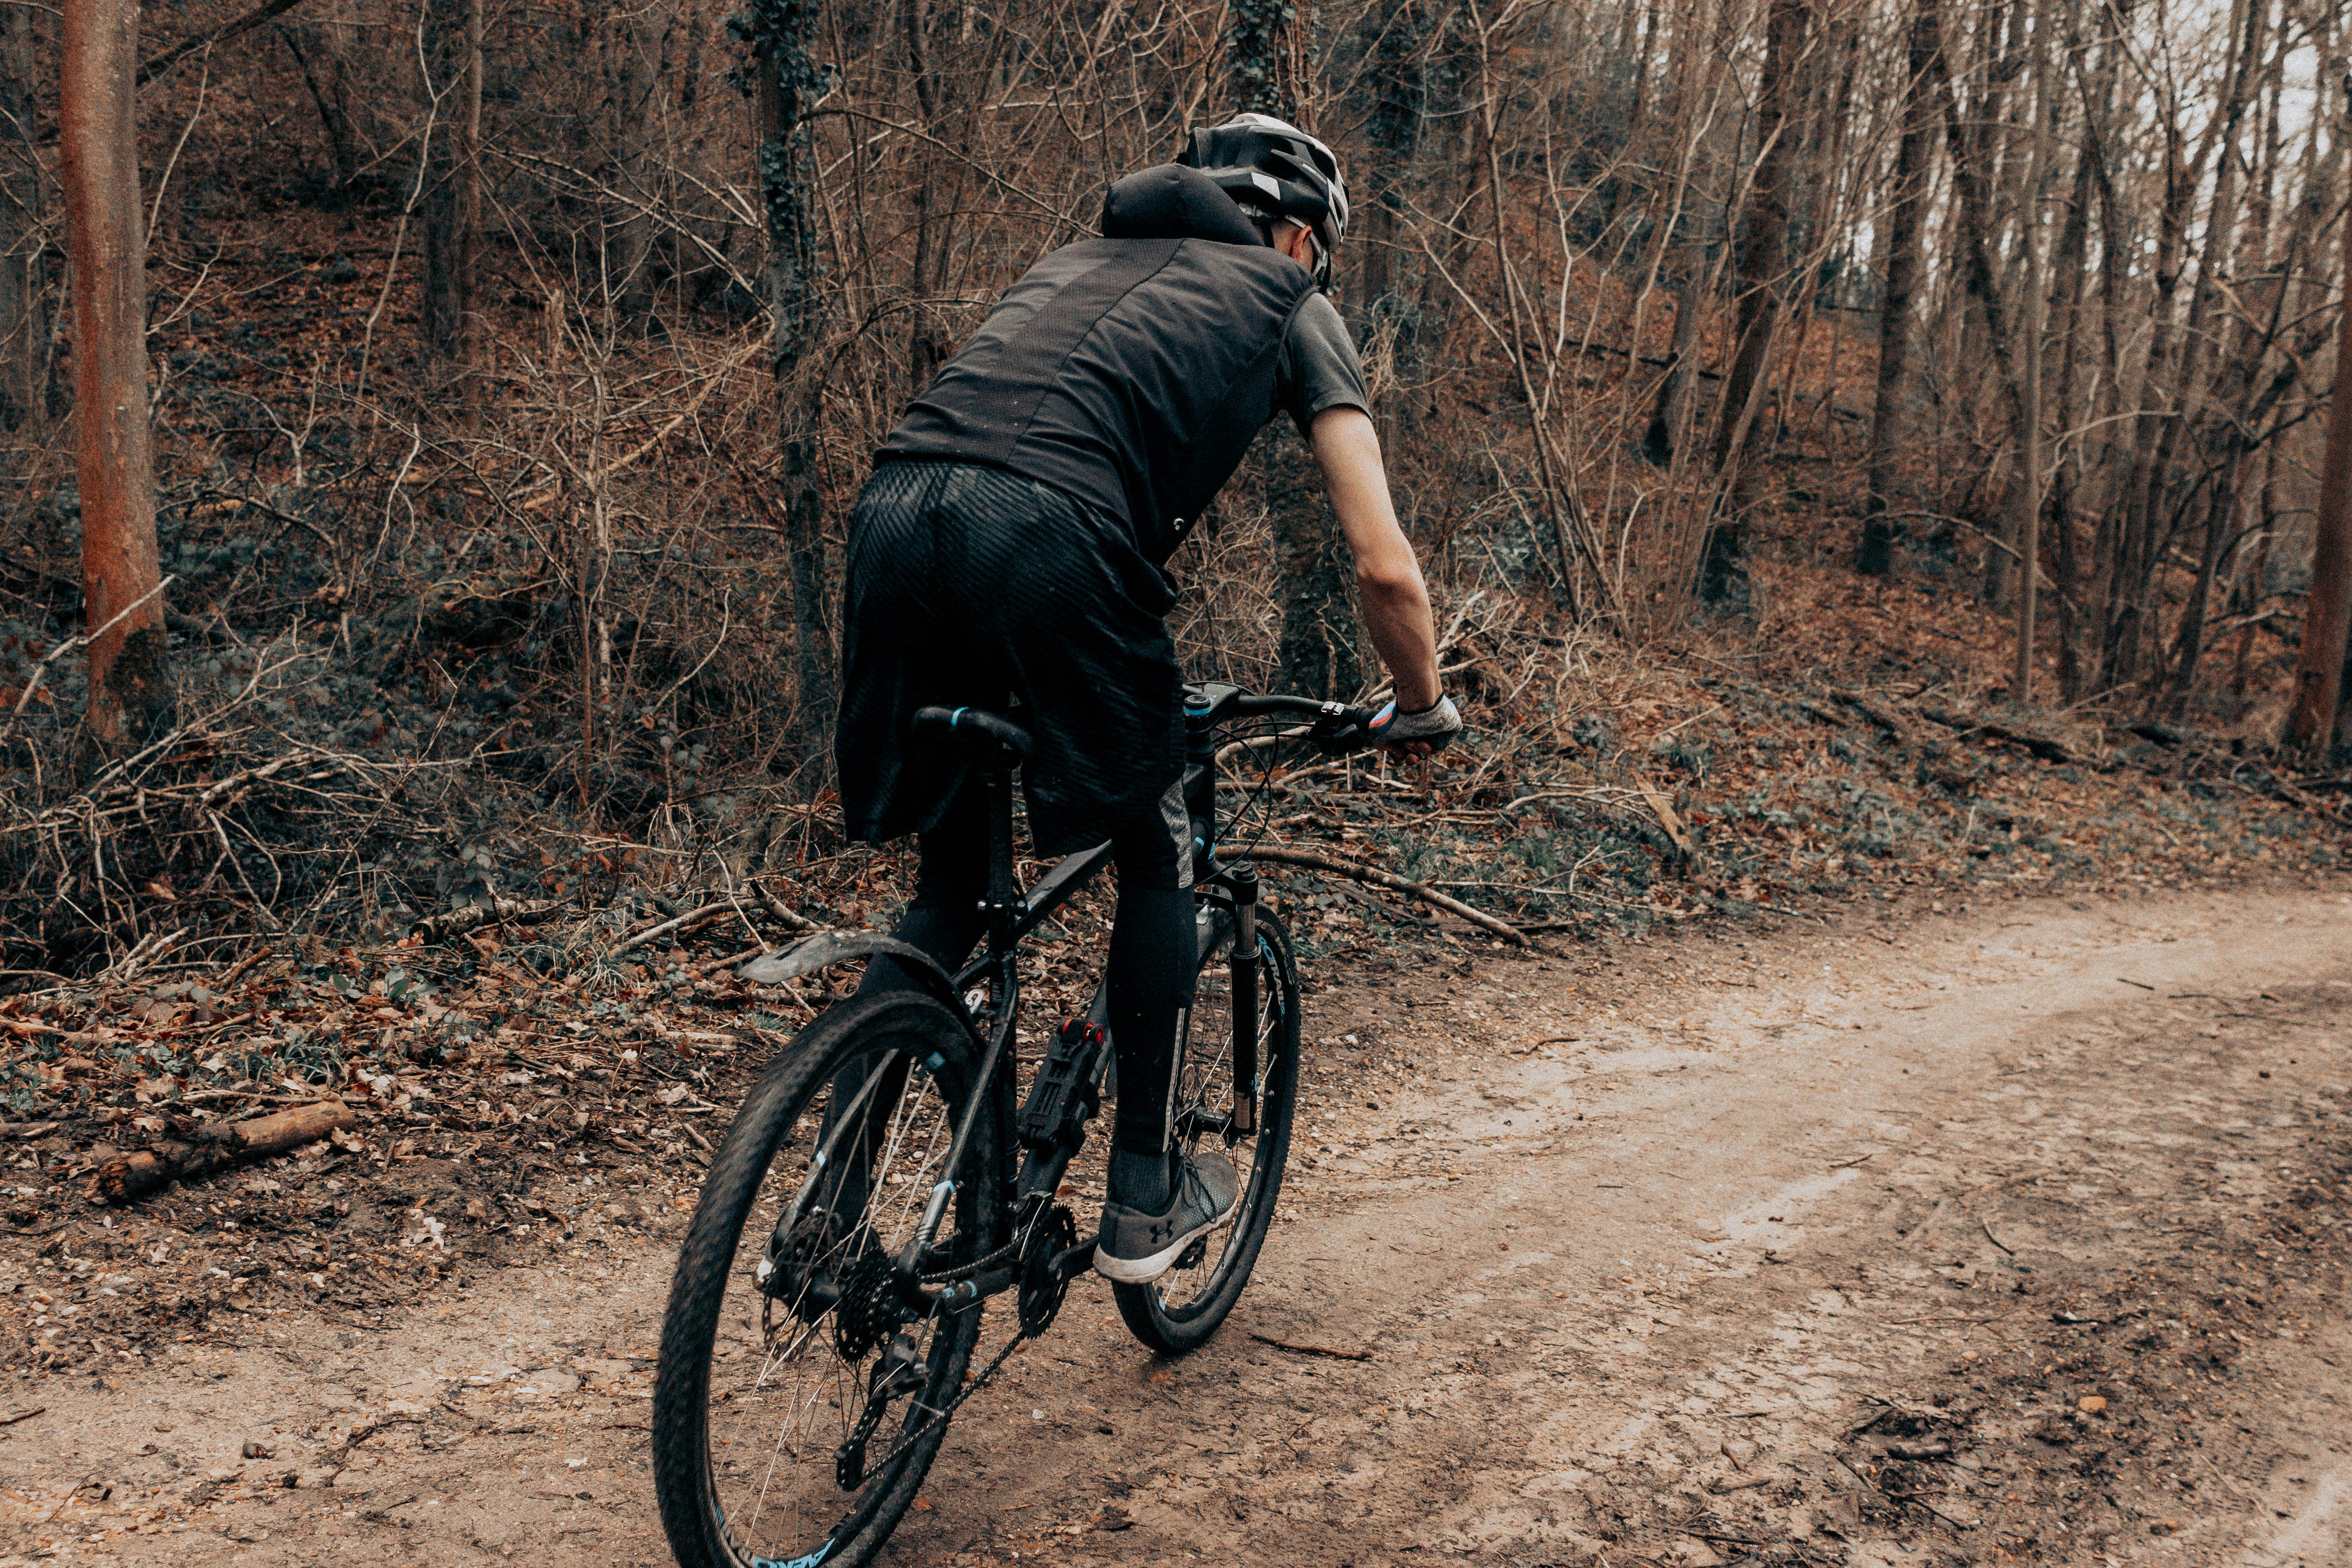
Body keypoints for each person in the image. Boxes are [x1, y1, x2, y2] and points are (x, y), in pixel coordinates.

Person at [833, 113, 1461, 1284]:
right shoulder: (1287, 301)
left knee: (952, 886)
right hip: (1050, 535)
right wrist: (1421, 702)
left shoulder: (1071, 268)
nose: (1311, 271)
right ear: (1295, 235)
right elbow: (1385, 566)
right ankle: (1141, 1200)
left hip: (894, 516)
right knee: (1158, 848)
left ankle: (825, 1199)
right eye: (1315, 251)